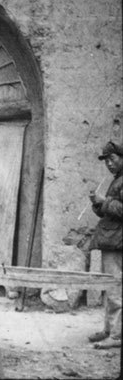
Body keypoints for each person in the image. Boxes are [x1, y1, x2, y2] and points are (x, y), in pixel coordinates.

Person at [87, 141, 122, 349]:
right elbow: (110, 213)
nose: (108, 163)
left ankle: (116, 336)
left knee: (116, 289)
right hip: (112, 241)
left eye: (112, 158)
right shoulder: (117, 180)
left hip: (118, 243)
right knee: (111, 288)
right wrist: (97, 203)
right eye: (106, 160)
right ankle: (109, 330)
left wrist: (104, 201)